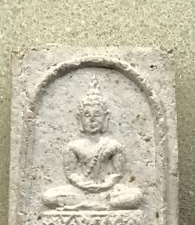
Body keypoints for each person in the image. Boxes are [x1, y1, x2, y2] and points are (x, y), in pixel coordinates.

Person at [42, 77, 141, 211]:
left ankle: (91, 204)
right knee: (48, 197)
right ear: (80, 119)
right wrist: (82, 184)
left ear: (105, 118)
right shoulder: (73, 146)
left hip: (107, 191)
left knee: (135, 196)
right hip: (80, 190)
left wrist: (105, 185)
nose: (92, 119)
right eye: (87, 115)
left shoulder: (113, 145)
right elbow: (71, 174)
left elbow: (117, 173)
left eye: (97, 115)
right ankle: (98, 204)